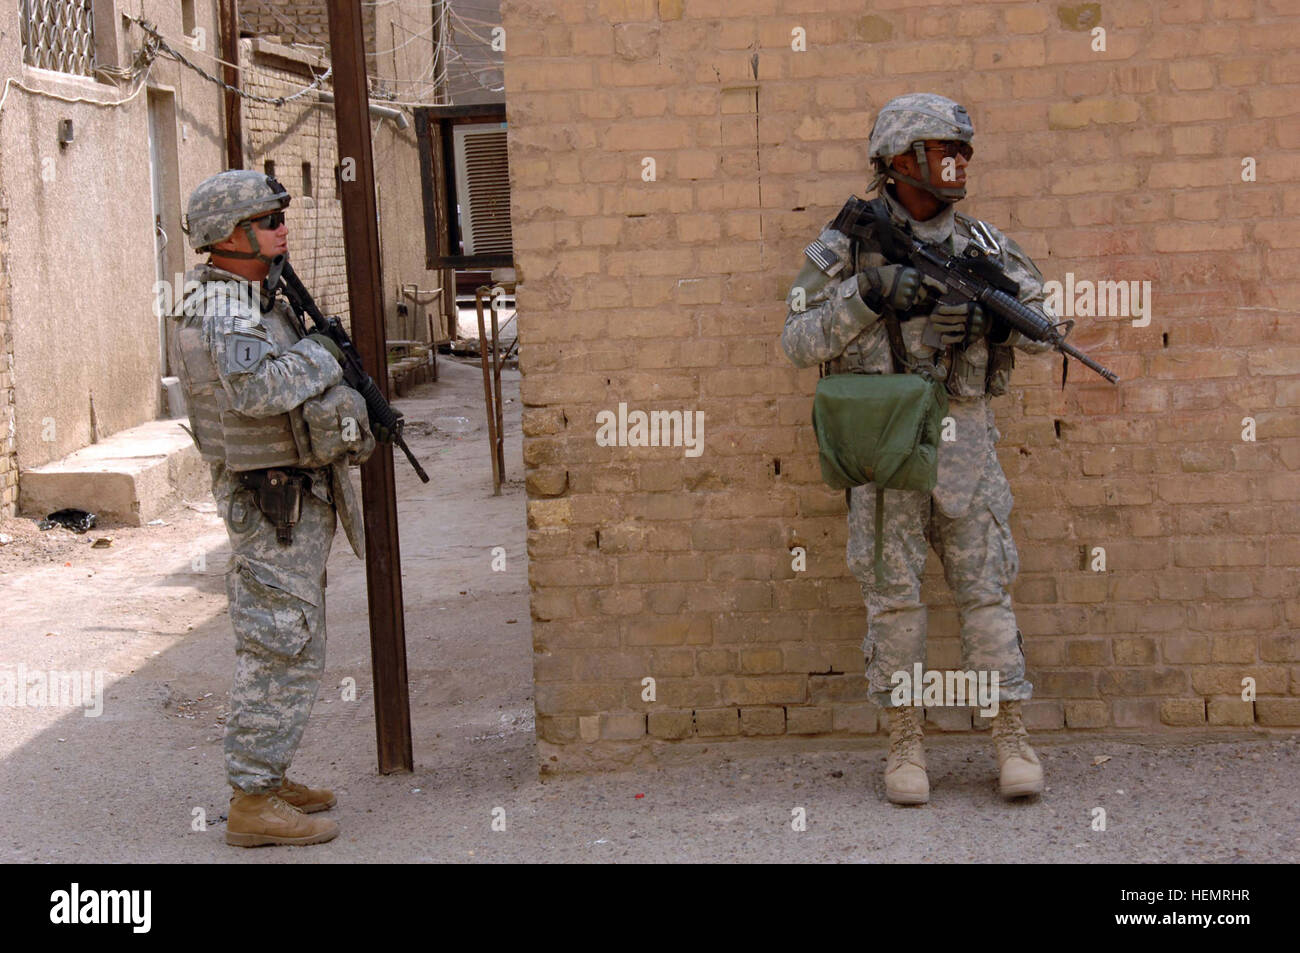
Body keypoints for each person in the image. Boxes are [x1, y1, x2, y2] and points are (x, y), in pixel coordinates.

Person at [780, 93, 1053, 805]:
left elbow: (1045, 325)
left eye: (963, 148)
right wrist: (868, 294)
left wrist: (989, 327)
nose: (958, 161)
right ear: (899, 161)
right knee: (895, 604)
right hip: (885, 446)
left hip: (964, 444)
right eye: (941, 149)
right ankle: (905, 743)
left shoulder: (984, 248)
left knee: (987, 595)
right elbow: (796, 340)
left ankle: (1010, 735)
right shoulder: (845, 247)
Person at [175, 170, 375, 845]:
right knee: (279, 644)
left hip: (289, 493)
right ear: (233, 234)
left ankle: (267, 772)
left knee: (292, 637)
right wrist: (324, 355)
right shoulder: (225, 308)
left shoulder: (254, 295)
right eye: (269, 219)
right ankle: (253, 800)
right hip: (269, 503)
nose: (282, 228)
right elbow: (259, 389)